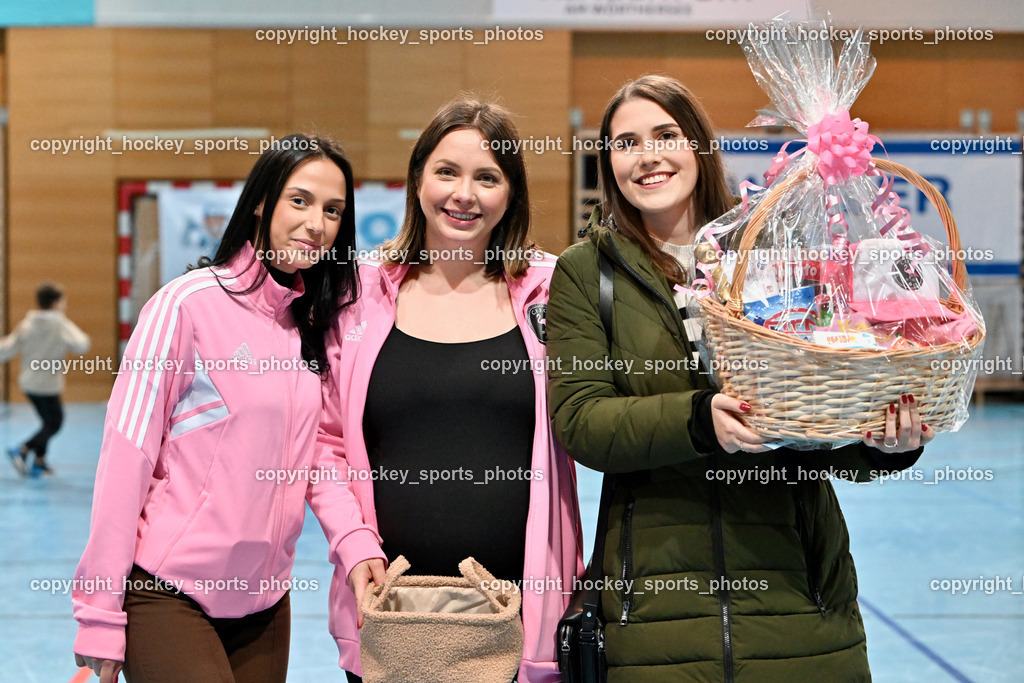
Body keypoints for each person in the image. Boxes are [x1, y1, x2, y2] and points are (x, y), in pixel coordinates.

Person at [546, 75, 931, 681]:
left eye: (666, 135)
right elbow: (582, 421)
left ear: (698, 144)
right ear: (607, 162)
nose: (647, 155)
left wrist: (882, 444)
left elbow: (822, 414)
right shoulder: (585, 272)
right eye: (625, 143)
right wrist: (699, 421)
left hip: (801, 598)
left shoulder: (775, 251)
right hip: (655, 608)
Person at [71, 133, 360, 683]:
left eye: (332, 210)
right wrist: (100, 615)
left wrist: (355, 544)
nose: (316, 223)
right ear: (261, 201)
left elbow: (318, 459)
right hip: (168, 595)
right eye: (299, 201)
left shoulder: (310, 329)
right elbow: (123, 463)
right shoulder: (185, 307)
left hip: (265, 607)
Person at [315, 97, 584, 682]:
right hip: (389, 619)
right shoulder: (358, 295)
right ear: (417, 182)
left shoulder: (553, 291)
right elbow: (324, 443)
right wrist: (356, 545)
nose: (465, 193)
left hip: (519, 622)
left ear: (511, 193)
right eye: (447, 172)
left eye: (487, 177)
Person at [1, 282, 90, 476]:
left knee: (46, 422)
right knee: (55, 423)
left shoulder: (27, 323)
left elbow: (7, 348)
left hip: (28, 382)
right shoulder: (60, 323)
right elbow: (81, 344)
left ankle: (39, 461)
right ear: (57, 303)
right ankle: (23, 449)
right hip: (48, 384)